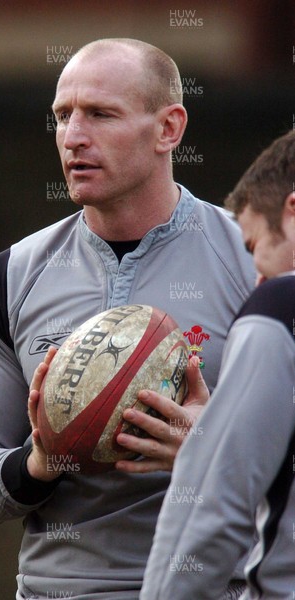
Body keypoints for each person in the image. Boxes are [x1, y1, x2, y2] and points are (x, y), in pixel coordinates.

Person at [0, 38, 255, 600]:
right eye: (63, 117)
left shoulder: (256, 261)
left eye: (101, 115)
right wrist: (39, 460)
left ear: (169, 129)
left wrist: (216, 449)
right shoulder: (14, 274)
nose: (73, 137)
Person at [140, 129, 295, 600]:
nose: (257, 277)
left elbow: (212, 509)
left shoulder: (278, 306)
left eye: (253, 247)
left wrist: (212, 441)